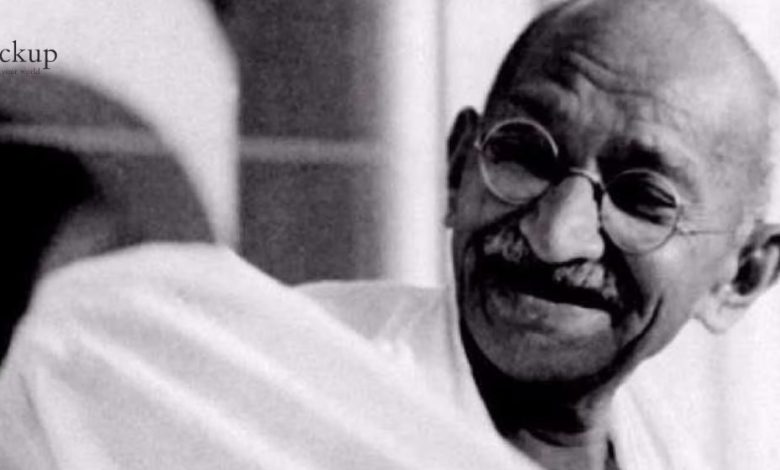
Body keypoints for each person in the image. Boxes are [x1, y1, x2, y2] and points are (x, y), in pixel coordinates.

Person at [2, 0, 779, 469]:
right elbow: (70, 350)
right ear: (458, 168)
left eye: (643, 198)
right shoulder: (277, 385)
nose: (555, 234)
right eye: (522, 154)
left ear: (740, 275)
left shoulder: (674, 452)